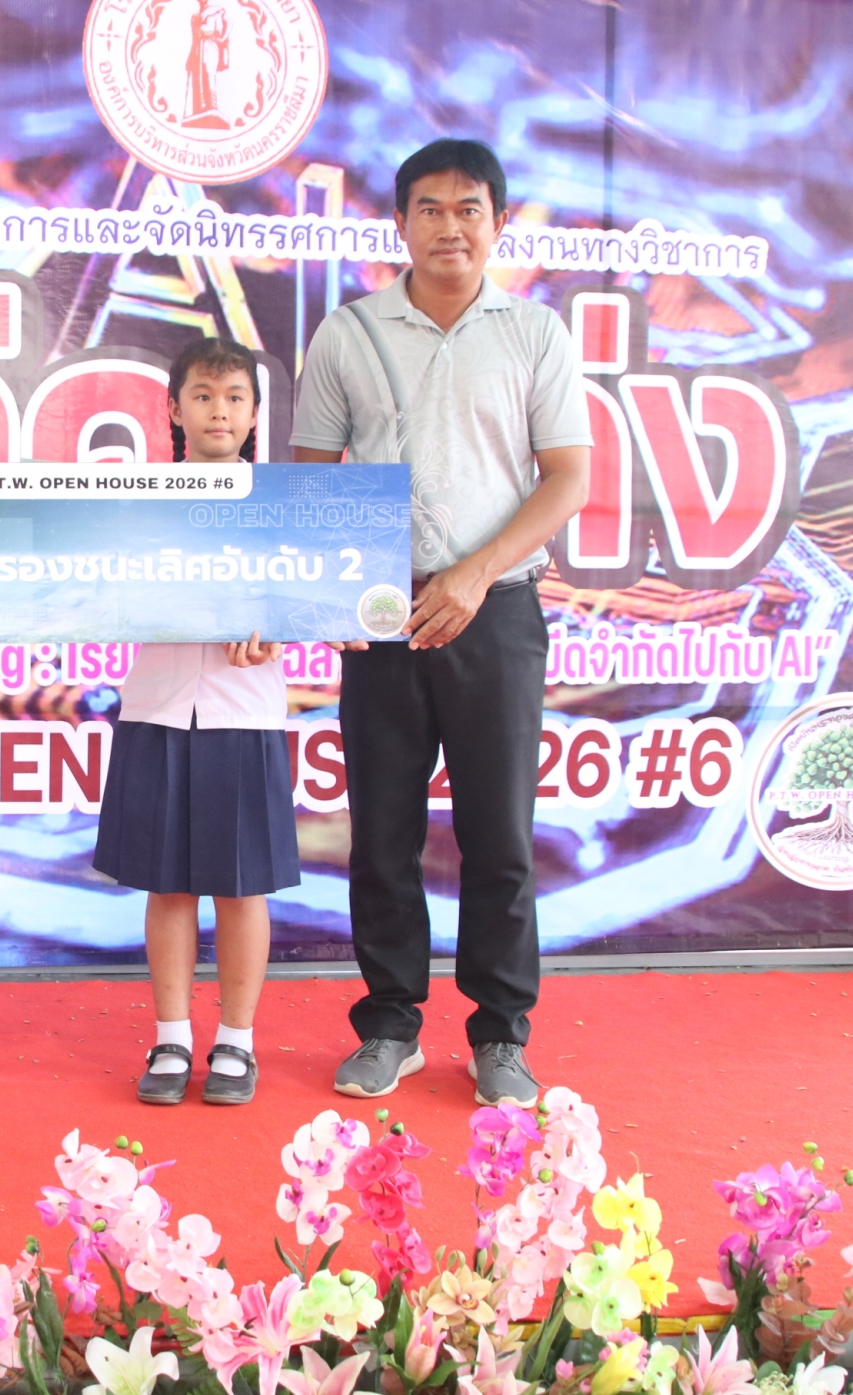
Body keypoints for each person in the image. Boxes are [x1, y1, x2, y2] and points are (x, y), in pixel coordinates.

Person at [290, 139, 592, 1108]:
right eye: (429, 208)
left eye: (468, 209)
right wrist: (332, 592)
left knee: (499, 834)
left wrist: (473, 573)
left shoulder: (534, 332)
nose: (449, 226)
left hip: (495, 610)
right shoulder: (347, 331)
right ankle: (388, 1025)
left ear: (497, 223)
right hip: (381, 611)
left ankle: (500, 1033)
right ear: (399, 223)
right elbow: (309, 478)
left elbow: (567, 476)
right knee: (381, 832)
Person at [92, 337, 296, 1107]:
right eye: (203, 396)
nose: (220, 410)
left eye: (235, 397)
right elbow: (99, 588)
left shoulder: (282, 508)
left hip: (246, 711)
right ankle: (171, 1035)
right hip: (158, 705)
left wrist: (279, 627)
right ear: (174, 409)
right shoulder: (136, 502)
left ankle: (237, 1041)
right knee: (169, 884)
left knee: (243, 888)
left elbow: (313, 593)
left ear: (254, 412)